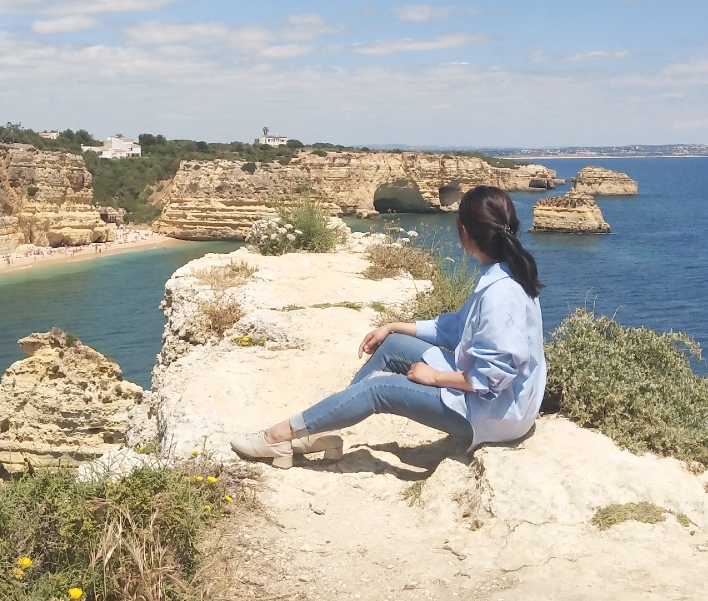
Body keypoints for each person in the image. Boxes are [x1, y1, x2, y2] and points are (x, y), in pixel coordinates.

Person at [230, 185, 546, 468]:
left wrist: (435, 377)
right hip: (500, 401)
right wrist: (394, 326)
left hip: (497, 414)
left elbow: (492, 379)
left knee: (378, 390)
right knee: (393, 345)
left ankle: (279, 435)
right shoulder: (502, 275)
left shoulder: (501, 294)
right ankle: (324, 430)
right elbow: (455, 329)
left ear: (464, 233)